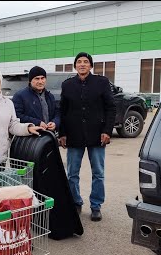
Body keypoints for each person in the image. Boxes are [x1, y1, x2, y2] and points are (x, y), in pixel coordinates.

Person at [58, 52, 116, 222]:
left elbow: (111, 108)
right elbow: (63, 110)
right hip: (74, 136)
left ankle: (96, 206)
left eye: (86, 62)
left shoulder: (101, 82)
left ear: (91, 66)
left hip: (97, 136)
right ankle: (75, 202)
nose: (82, 64)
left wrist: (107, 130)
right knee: (72, 173)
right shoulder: (67, 85)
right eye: (79, 62)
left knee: (98, 172)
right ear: (75, 66)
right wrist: (62, 133)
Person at [12, 66, 60, 132]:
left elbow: (57, 113)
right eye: (37, 79)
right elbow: (17, 116)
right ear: (30, 81)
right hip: (30, 138)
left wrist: (55, 123)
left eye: (42, 78)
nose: (40, 82)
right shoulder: (20, 96)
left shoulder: (50, 96)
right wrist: (37, 122)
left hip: (48, 136)